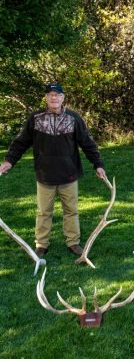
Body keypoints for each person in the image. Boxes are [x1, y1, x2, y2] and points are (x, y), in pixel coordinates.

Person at [0, 83, 106, 257]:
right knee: (43, 212)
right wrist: (9, 161)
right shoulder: (36, 118)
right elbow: (21, 142)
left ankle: (73, 242)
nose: (54, 97)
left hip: (69, 174)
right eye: (50, 94)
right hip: (45, 175)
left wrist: (98, 164)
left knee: (71, 211)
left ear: (63, 98)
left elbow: (87, 142)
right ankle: (41, 244)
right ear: (46, 98)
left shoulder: (73, 118)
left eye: (57, 95)